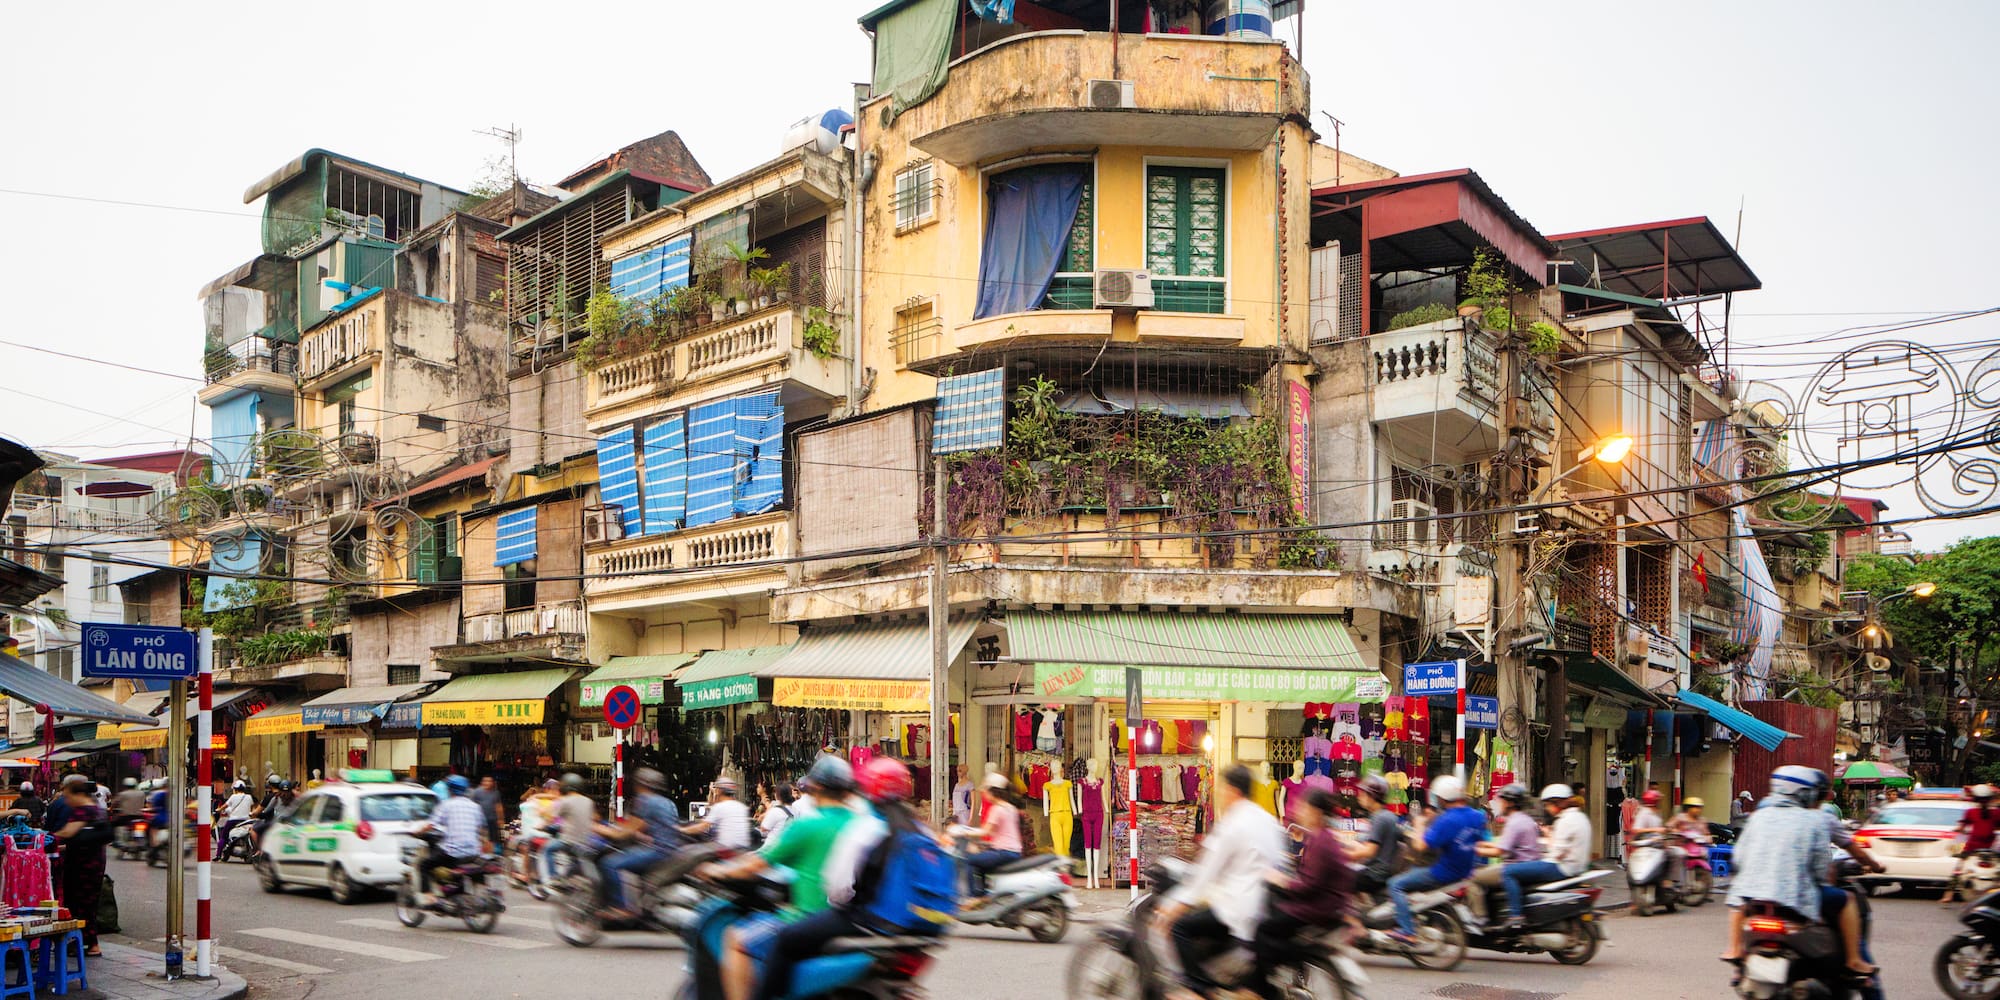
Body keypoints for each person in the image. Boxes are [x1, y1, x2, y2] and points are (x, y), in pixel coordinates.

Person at [753, 757, 936, 1000]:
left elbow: (838, 888)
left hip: (868, 920)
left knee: (787, 938)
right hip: (910, 927)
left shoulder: (867, 827)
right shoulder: (921, 829)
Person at [699, 755, 858, 1000]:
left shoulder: (807, 826)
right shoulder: (862, 825)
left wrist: (717, 871)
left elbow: (755, 864)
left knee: (736, 939)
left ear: (816, 788)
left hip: (808, 917)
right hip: (852, 920)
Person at [1722, 766, 1874, 978]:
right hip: (1794, 898)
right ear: (1806, 793)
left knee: (1736, 900)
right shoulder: (1815, 819)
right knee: (1846, 900)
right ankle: (1854, 960)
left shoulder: (1758, 817)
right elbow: (1821, 867)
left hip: (1752, 895)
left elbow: (1738, 858)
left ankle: (1736, 949)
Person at [1153, 764, 1287, 996]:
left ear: (1233, 791)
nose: (1221, 795)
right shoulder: (1267, 820)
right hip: (1266, 905)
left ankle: (1201, 989)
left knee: (1180, 928)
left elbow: (1206, 873)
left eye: (1223, 789)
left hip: (1239, 907)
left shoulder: (1233, 824)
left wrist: (1175, 908)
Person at [1249, 788, 1350, 999]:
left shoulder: (1321, 841)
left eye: (1304, 807)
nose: (1299, 811)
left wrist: (1282, 881)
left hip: (1317, 907)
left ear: (1316, 812)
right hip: (1324, 903)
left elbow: (1308, 885)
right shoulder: (1320, 836)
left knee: (1261, 928)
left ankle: (1264, 987)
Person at [1386, 775, 1487, 946]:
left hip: (1443, 873)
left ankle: (1407, 931)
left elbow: (1420, 846)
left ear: (1442, 797)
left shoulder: (1447, 820)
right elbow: (1478, 842)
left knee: (1395, 884)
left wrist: (1418, 824)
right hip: (1466, 871)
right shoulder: (1477, 816)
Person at [1496, 785, 1591, 929]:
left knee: (1508, 872)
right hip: (1575, 865)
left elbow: (1557, 853)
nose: (1547, 809)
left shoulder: (1566, 821)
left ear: (1557, 803)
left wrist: (1547, 836)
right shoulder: (1580, 817)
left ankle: (1516, 915)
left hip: (1561, 867)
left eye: (1548, 805)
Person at [594, 767, 681, 919]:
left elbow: (625, 831)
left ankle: (620, 907)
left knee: (609, 864)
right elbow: (648, 826)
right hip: (671, 850)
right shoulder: (668, 802)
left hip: (658, 851)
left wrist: (599, 828)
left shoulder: (646, 801)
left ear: (640, 784)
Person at [51, 781, 111, 956]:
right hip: (93, 862)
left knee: (79, 903)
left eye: (68, 797)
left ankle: (86, 943)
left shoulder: (84, 810)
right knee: (88, 903)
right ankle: (90, 943)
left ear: (79, 795)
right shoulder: (97, 809)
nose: (67, 801)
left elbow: (67, 833)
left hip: (83, 866)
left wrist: (43, 837)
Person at [1473, 784, 1543, 925]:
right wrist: (1483, 844)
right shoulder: (1526, 819)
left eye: (1502, 801)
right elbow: (1508, 845)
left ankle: (1479, 918)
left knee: (1471, 876)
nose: (1499, 804)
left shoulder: (1514, 822)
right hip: (1528, 864)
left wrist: (1474, 850)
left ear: (1510, 803)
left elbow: (1500, 851)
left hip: (1515, 866)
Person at [419, 775, 489, 898]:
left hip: (453, 852)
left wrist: (417, 832)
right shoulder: (475, 807)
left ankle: (428, 897)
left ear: (449, 790)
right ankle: (452, 890)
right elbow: (482, 829)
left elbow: (430, 824)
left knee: (424, 865)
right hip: (473, 851)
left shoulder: (446, 805)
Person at [961, 772, 1024, 894]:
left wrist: (964, 831)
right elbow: (998, 833)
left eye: (985, 791)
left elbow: (986, 831)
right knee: (981, 862)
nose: (984, 794)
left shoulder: (997, 809)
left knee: (968, 860)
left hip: (1004, 852)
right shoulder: (1010, 808)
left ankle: (973, 899)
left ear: (992, 792)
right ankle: (986, 895)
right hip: (1014, 852)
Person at [1346, 775, 1404, 896]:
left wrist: (1342, 856)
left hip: (1375, 875)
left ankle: (1351, 914)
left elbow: (1369, 851)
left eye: (1362, 794)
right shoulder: (1383, 816)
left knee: (1335, 879)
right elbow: (1366, 843)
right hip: (1377, 871)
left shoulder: (1380, 818)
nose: (1359, 797)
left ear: (1372, 796)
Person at [1949, 784, 2000, 901]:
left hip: (1972, 847)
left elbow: (1962, 827)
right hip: (1992, 847)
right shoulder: (1996, 813)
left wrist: (1958, 830)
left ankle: (1948, 894)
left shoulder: (1971, 812)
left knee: (1958, 868)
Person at [684, 779, 754, 850]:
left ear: (719, 791)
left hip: (725, 850)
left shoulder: (719, 807)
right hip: (743, 849)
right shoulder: (741, 807)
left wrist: (683, 830)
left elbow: (702, 827)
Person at [217, 780, 255, 851]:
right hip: (246, 820)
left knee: (223, 835)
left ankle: (218, 853)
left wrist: (218, 809)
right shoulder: (249, 797)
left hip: (233, 820)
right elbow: (252, 808)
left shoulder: (233, 796)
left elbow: (225, 806)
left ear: (235, 789)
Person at [470, 775, 505, 844]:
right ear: (482, 782)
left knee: (494, 839)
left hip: (492, 820)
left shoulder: (496, 793)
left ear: (492, 783)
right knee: (481, 839)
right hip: (480, 820)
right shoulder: (476, 792)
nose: (487, 783)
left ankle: (494, 852)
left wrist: (501, 819)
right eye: (485, 781)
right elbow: (472, 806)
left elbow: (498, 806)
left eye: (489, 781)